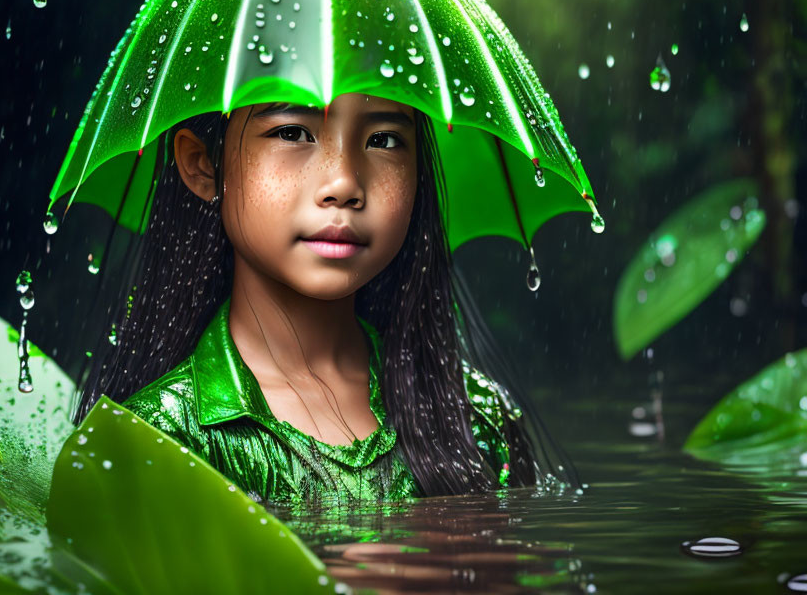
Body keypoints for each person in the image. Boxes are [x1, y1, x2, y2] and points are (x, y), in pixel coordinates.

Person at [72, 92, 561, 504]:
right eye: (291, 133)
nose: (344, 184)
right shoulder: (157, 443)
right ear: (203, 164)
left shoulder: (476, 418)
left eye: (384, 139)